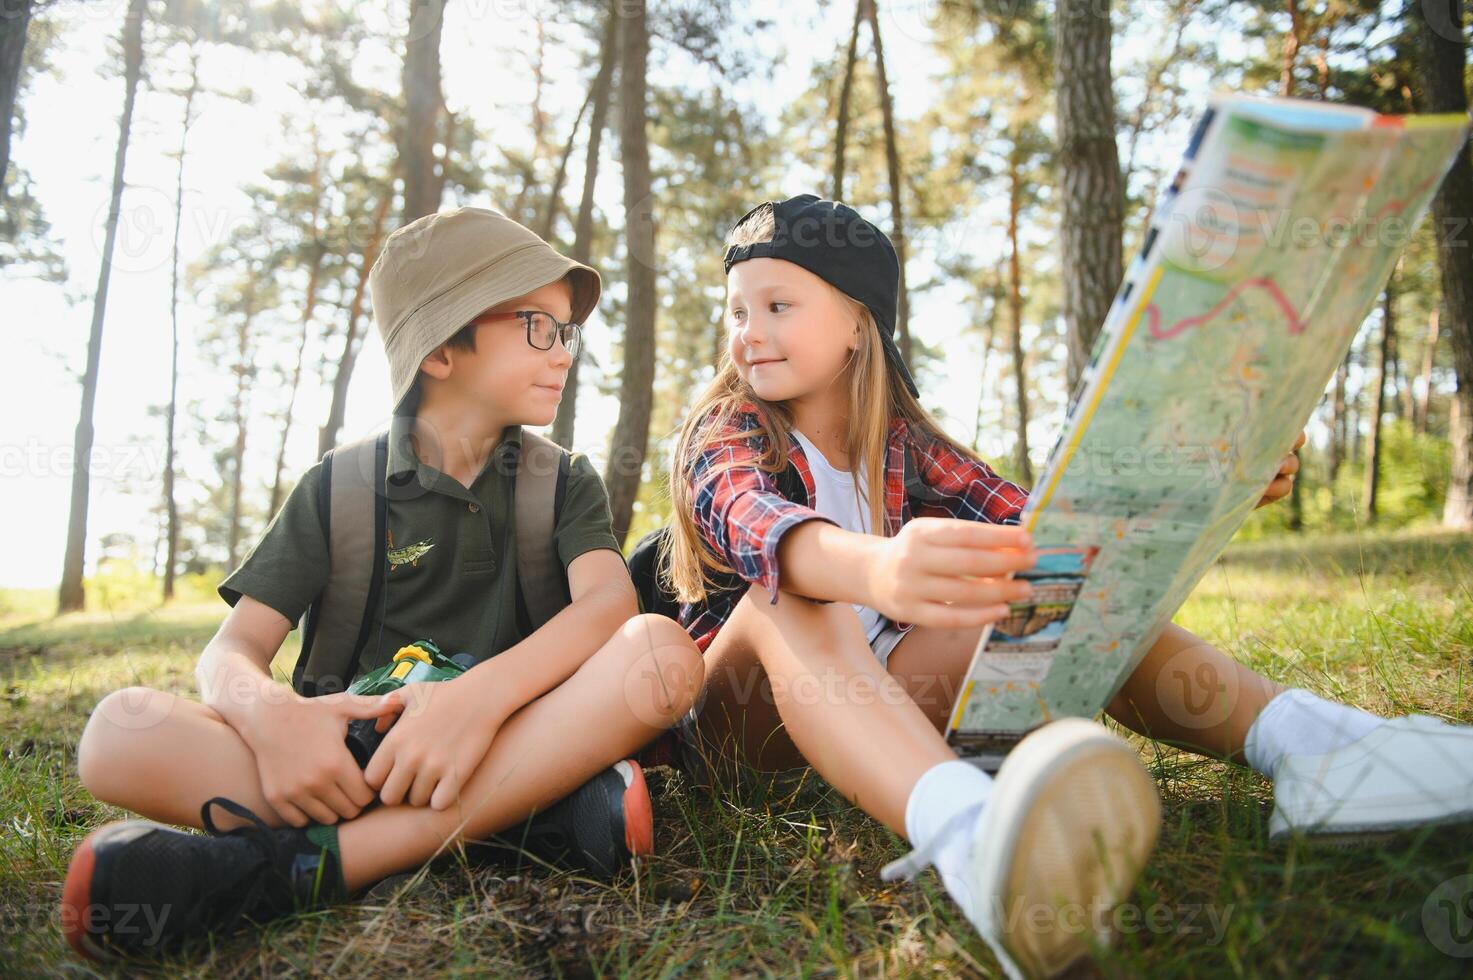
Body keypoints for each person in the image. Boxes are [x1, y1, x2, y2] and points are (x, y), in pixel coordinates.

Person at [658, 194, 1473, 979]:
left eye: (776, 306)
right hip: (744, 733)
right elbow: (746, 517)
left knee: (1057, 586)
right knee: (790, 592)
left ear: (856, 323)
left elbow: (1058, 537)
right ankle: (973, 845)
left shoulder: (905, 445)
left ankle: (1316, 750)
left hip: (878, 704)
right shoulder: (726, 429)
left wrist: (1212, 485)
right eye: (735, 311)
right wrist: (874, 567)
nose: (747, 335)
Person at [60, 207, 705, 960]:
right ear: (439, 350)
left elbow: (609, 605)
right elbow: (230, 650)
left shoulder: (560, 481)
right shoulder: (337, 488)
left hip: (503, 732)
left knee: (659, 654)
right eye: (537, 326)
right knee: (117, 733)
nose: (563, 353)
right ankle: (531, 820)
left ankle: (297, 868)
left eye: (567, 332)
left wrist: (476, 699)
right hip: (346, 768)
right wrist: (273, 716)